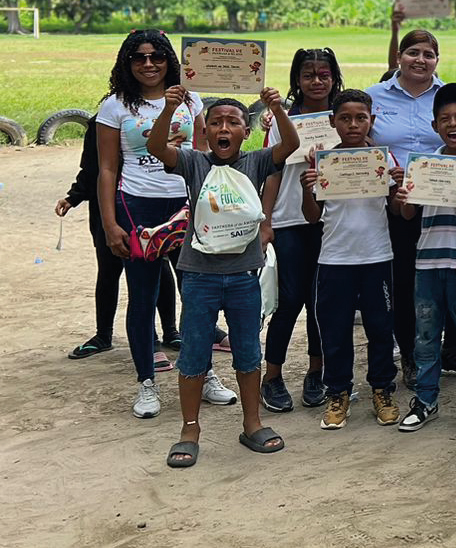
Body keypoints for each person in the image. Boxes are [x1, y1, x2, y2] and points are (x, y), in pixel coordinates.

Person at [150, 85, 297, 468]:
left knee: (248, 352)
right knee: (194, 353)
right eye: (216, 122)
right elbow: (156, 148)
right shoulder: (195, 163)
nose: (224, 128)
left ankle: (252, 423)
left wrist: (277, 109)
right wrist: (168, 109)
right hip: (199, 276)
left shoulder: (256, 161)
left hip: (244, 275)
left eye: (233, 122)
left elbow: (290, 145)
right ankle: (189, 429)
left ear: (244, 132)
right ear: (206, 131)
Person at [96, 30, 227, 417]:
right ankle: (146, 384)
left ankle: (204, 375)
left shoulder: (192, 99)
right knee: (143, 297)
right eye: (139, 57)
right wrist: (109, 224)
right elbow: (107, 168)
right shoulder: (115, 106)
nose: (148, 64)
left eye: (156, 56)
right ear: (127, 62)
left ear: (171, 59)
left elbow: (203, 153)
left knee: (198, 298)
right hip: (137, 208)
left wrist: (212, 207)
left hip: (188, 207)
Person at [300, 89, 404, 429]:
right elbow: (312, 217)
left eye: (361, 118)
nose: (353, 124)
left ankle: (382, 389)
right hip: (335, 257)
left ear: (371, 120)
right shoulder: (324, 162)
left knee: (380, 326)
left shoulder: (384, 160)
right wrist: (307, 187)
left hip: (376, 255)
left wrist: (399, 187)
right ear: (333, 122)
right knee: (335, 329)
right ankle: (337, 392)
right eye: (345, 118)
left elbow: (399, 211)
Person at [394, 84, 456, 432]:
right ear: (435, 125)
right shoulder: (424, 164)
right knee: (425, 334)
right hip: (426, 262)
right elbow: (407, 215)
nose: (453, 124)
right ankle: (425, 399)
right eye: (445, 119)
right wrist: (405, 196)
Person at [371, 23, 456, 389]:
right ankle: (411, 355)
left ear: (437, 60)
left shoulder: (450, 97)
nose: (420, 60)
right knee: (405, 281)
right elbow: (358, 138)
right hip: (397, 206)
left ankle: (452, 350)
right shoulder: (375, 96)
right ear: (399, 57)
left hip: (446, 206)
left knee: (454, 273)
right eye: (413, 52)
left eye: (428, 54)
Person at [259, 48, 342, 411]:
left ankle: (316, 372)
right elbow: (273, 172)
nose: (317, 81)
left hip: (333, 220)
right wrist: (266, 221)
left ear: (334, 78)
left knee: (320, 302)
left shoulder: (344, 117)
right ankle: (272, 376)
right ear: (297, 80)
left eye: (324, 75)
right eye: (309, 75)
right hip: (291, 219)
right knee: (290, 300)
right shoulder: (281, 118)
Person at [59, 107, 177, 360]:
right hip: (109, 209)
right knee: (110, 269)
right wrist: (74, 197)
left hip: (146, 205)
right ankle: (104, 335)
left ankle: (169, 332)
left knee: (159, 266)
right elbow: (94, 169)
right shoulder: (103, 120)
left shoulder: (168, 118)